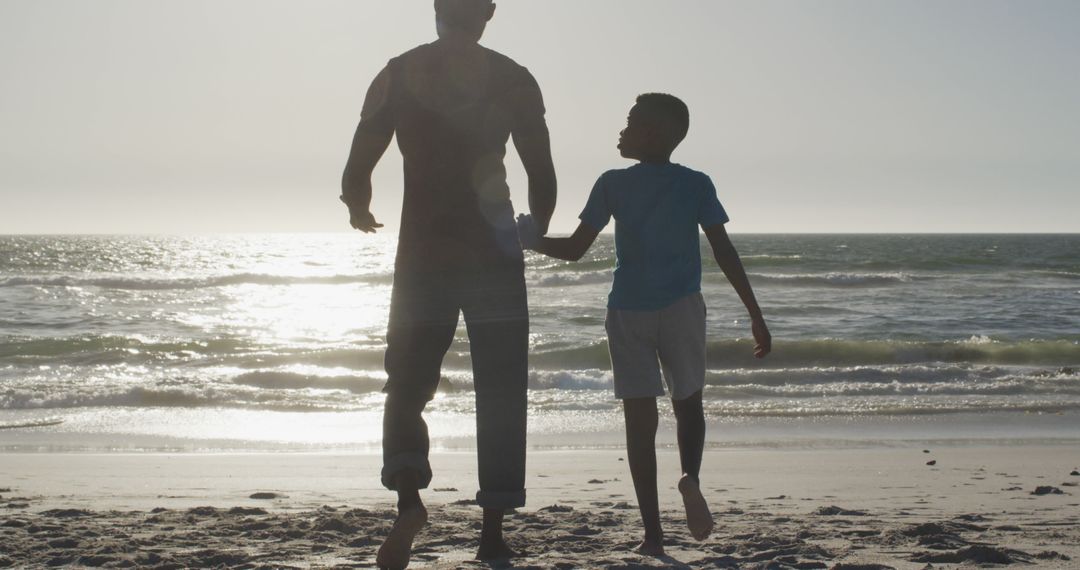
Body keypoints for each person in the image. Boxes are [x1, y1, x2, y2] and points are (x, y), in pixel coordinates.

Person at [340, 0, 556, 567]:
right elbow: (541, 167)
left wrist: (357, 203)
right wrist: (539, 226)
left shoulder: (399, 70)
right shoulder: (514, 77)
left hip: (423, 251)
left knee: (407, 383)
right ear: (488, 13)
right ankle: (492, 532)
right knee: (502, 391)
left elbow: (361, 155)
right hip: (493, 250)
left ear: (436, 11)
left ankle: (409, 498)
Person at [519, 93, 770, 555]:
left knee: (640, 423)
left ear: (653, 132)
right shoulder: (696, 183)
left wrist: (530, 241)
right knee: (688, 403)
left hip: (629, 310)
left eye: (631, 122)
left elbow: (575, 249)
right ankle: (690, 478)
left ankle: (652, 535)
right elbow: (724, 251)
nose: (622, 130)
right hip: (682, 309)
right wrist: (755, 315)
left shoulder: (612, 183)